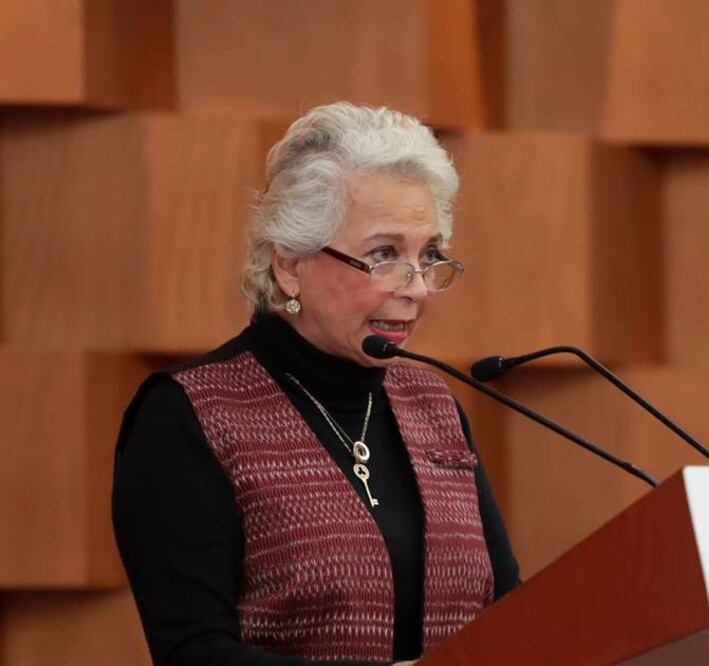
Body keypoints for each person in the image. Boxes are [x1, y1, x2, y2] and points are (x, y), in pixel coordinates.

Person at [112, 102, 519, 665]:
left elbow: (512, 617)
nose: (418, 288)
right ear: (289, 264)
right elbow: (193, 654)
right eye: (383, 254)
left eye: (427, 256)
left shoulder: (434, 408)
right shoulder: (192, 415)